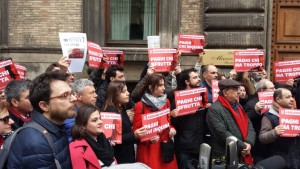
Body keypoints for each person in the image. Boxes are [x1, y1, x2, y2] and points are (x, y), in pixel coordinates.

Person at [7, 71, 77, 169]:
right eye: (65, 95)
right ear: (44, 106)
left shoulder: (57, 126)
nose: (74, 98)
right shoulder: (36, 143)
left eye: (72, 93)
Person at [69, 104, 150, 169]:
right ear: (83, 125)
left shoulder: (104, 141)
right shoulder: (77, 148)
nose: (100, 122)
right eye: (94, 120)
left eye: (100, 118)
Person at [133, 73, 178, 169]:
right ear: (150, 87)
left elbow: (168, 123)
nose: (164, 88)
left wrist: (171, 129)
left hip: (165, 147)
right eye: (160, 85)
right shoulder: (140, 106)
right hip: (149, 149)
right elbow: (136, 130)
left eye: (164, 85)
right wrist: (148, 138)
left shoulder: (166, 102)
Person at [206, 79, 256, 165]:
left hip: (242, 152)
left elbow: (249, 124)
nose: (238, 92)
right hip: (225, 154)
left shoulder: (238, 105)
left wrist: (249, 143)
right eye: (235, 89)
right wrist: (243, 147)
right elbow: (222, 133)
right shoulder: (214, 109)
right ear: (225, 93)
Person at [171, 68, 208, 169]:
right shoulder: (178, 100)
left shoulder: (202, 98)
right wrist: (174, 116)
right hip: (184, 148)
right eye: (195, 78)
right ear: (187, 82)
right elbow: (172, 125)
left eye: (198, 77)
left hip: (200, 146)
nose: (199, 79)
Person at [102, 81, 147, 164]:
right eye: (124, 92)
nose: (128, 93)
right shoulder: (110, 112)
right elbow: (113, 139)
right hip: (119, 157)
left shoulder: (121, 108)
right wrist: (134, 135)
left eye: (127, 91)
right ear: (115, 94)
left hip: (127, 153)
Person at [259, 88, 299, 169]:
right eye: (287, 97)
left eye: (291, 97)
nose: (292, 99)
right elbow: (262, 137)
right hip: (280, 160)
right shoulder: (268, 116)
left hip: (296, 157)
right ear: (278, 99)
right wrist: (274, 133)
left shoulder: (296, 113)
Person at [243, 79, 275, 163]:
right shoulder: (251, 103)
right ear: (262, 90)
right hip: (259, 145)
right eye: (272, 88)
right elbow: (244, 120)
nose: (274, 90)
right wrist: (255, 110)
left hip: (273, 142)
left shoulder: (275, 102)